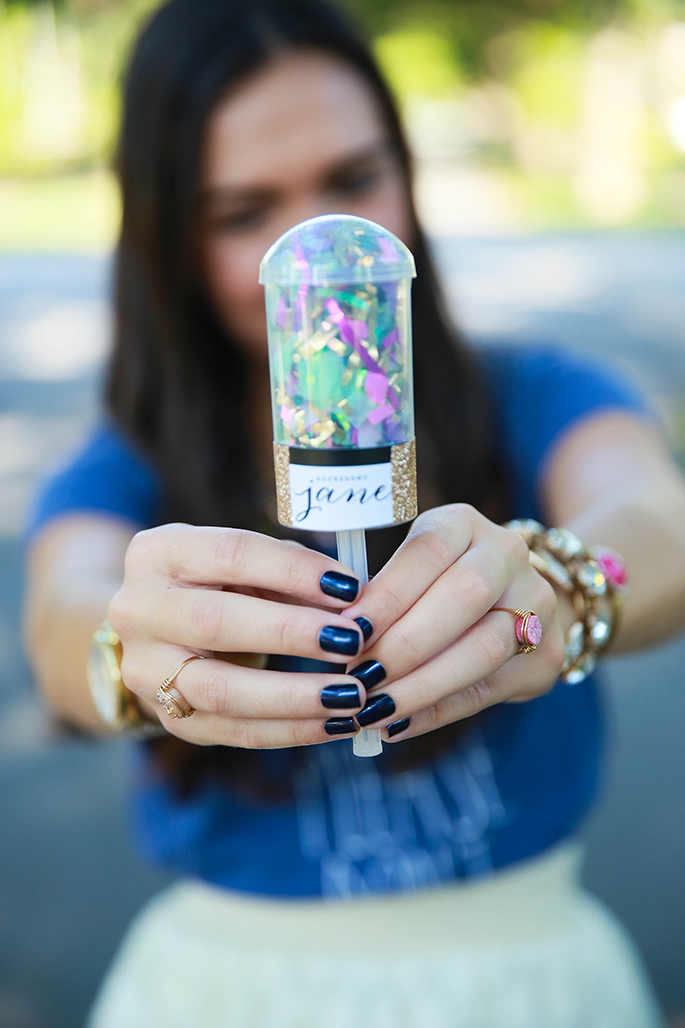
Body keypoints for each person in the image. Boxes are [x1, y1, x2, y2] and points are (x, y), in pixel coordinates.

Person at [22, 1, 685, 1025]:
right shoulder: (126, 468)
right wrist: (129, 651)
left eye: (352, 179)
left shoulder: (533, 393)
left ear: (406, 176)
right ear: (168, 239)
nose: (320, 257)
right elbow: (62, 610)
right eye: (242, 213)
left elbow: (654, 518)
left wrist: (564, 582)